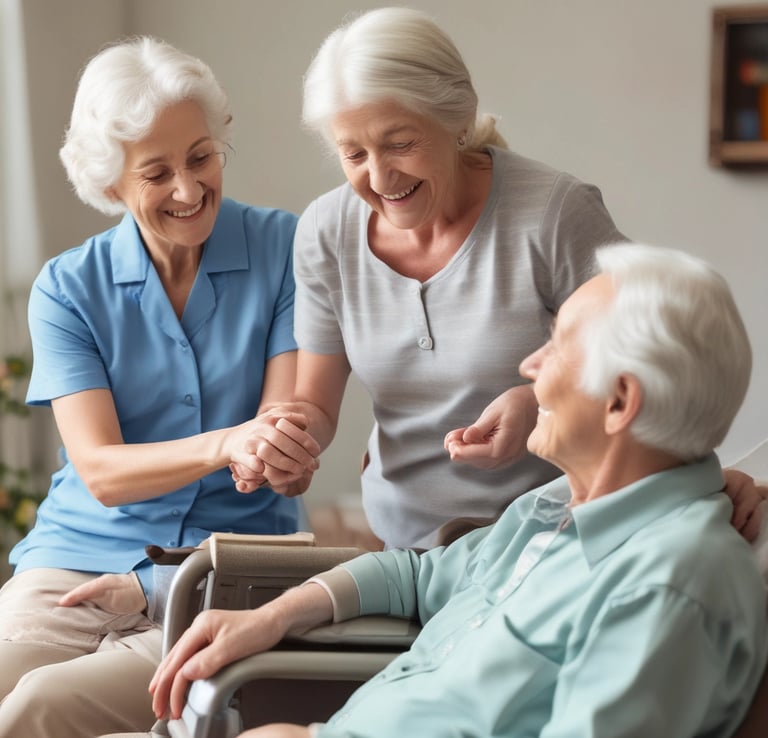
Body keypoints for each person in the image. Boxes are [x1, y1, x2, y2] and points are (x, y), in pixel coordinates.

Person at [150, 243, 768, 738]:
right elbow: (416, 578)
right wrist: (269, 617)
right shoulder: (551, 507)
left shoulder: (669, 582)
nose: (529, 367)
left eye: (557, 348)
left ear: (619, 402)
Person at [234, 6, 764, 550]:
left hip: (555, 544)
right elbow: (316, 407)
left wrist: (537, 401)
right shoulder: (325, 230)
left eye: (399, 143)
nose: (379, 176)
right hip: (405, 553)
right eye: (354, 153)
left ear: (456, 118)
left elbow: (655, 362)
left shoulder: (553, 212)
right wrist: (287, 439)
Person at [0, 36, 318, 738]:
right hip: (70, 562)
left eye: (201, 157)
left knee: (34, 710)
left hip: (223, 572)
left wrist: (275, 453)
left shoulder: (284, 249)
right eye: (156, 172)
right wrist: (230, 443)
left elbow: (280, 439)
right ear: (111, 183)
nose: (188, 188)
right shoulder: (68, 288)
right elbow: (103, 473)